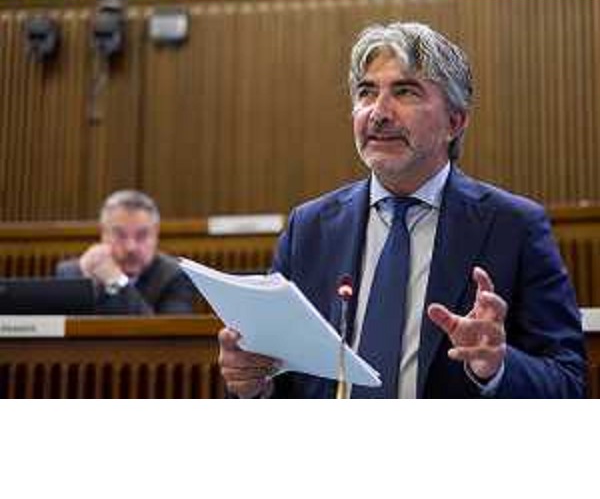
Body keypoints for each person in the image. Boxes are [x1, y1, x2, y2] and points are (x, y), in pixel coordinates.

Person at [218, 21, 586, 399]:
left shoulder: (514, 227)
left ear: (454, 122)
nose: (378, 113)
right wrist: (252, 384)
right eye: (366, 92)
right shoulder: (309, 228)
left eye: (405, 92)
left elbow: (568, 382)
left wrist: (496, 367)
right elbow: (277, 378)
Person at [56, 189, 205, 315]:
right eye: (120, 235)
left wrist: (117, 282)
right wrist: (87, 285)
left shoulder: (175, 276)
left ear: (156, 235)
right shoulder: (73, 272)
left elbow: (169, 335)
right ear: (104, 234)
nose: (131, 247)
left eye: (142, 235)